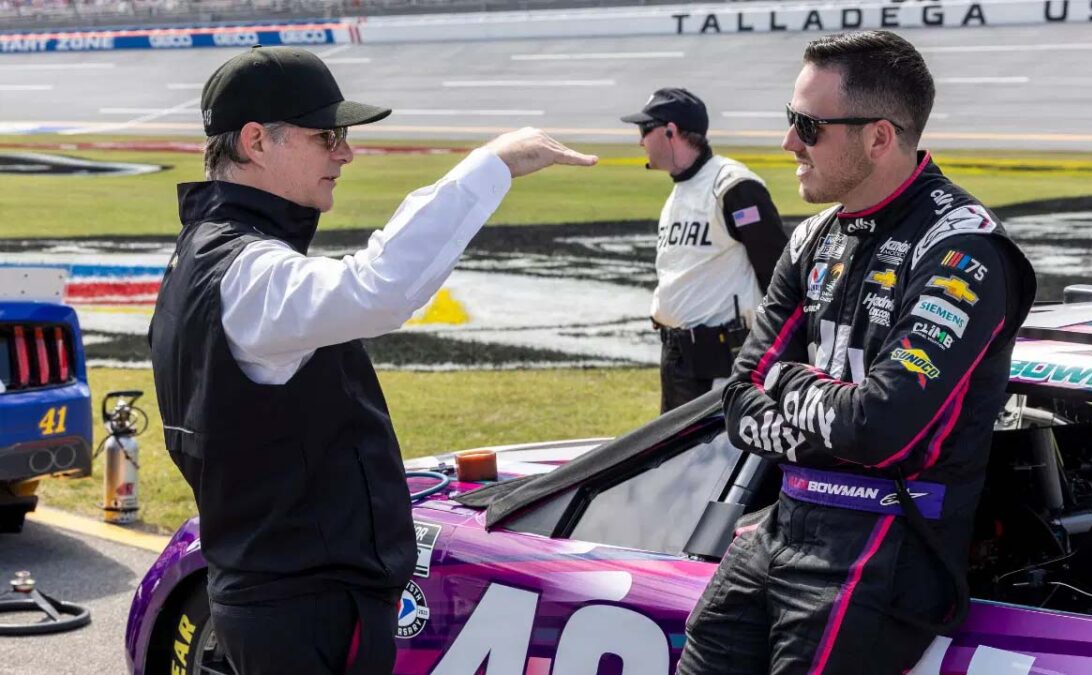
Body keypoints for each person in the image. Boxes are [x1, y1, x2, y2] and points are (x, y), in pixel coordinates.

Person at [148, 46, 595, 675]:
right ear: (255, 141)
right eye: (326, 136)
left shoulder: (205, 254)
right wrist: (489, 166)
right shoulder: (246, 270)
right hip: (302, 608)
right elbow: (378, 288)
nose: (345, 153)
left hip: (277, 594)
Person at [677, 31, 1036, 674]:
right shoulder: (814, 238)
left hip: (888, 547)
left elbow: (878, 428)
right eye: (791, 119)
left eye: (808, 126)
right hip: (781, 524)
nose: (789, 143)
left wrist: (787, 383)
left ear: (878, 137)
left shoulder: (963, 250)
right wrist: (831, 416)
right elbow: (737, 402)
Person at [620, 88, 787, 413]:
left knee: (715, 445)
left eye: (645, 130)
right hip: (678, 355)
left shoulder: (734, 186)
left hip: (721, 359)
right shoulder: (681, 191)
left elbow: (777, 271)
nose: (641, 141)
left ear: (671, 131)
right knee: (674, 444)